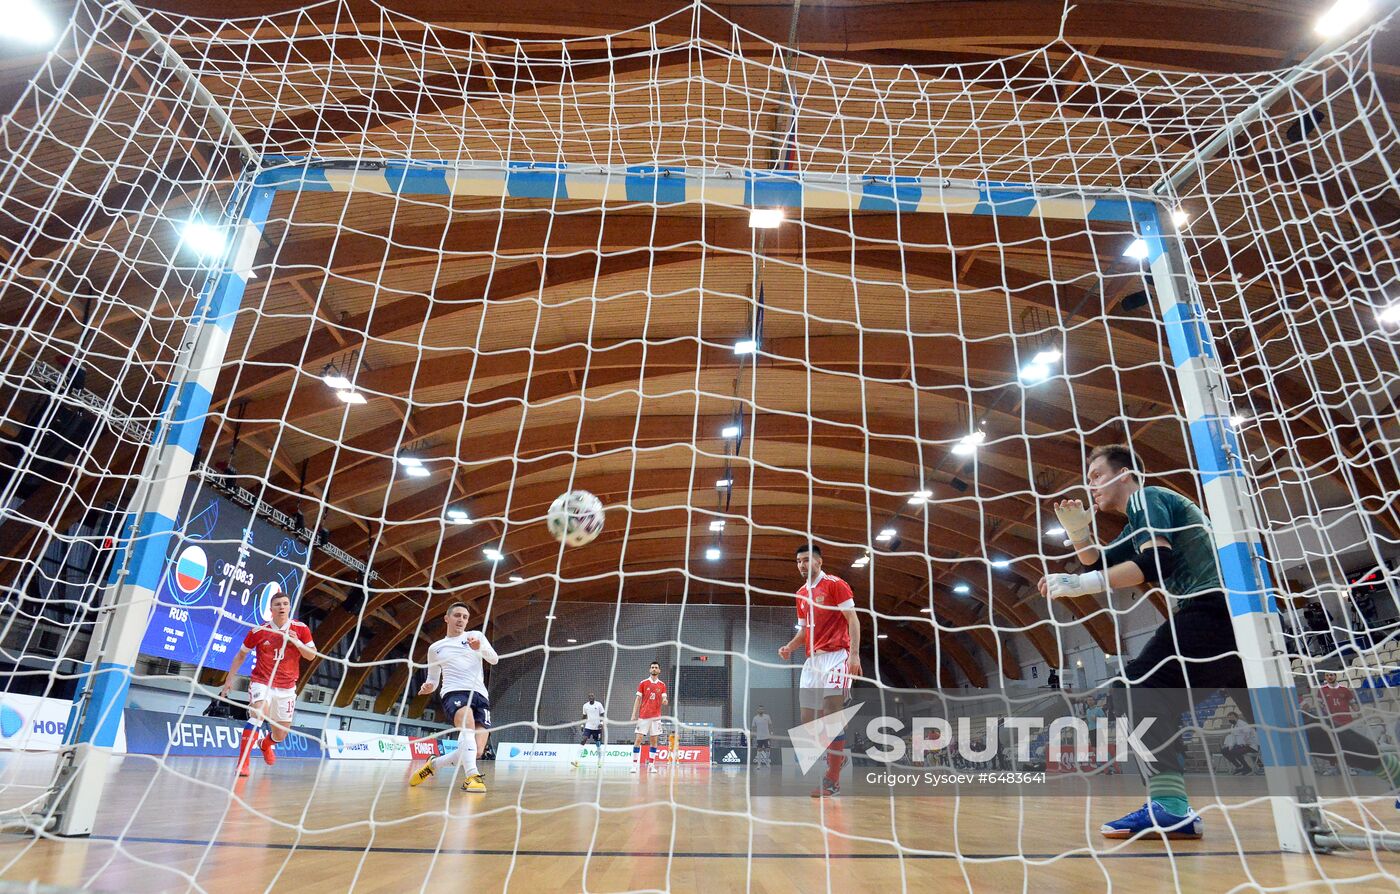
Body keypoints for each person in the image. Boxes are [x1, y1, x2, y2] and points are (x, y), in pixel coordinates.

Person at [1038, 444, 1400, 841]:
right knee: (1283, 725)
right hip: (1241, 618)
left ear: (1124, 475)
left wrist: (1080, 584)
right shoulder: (1137, 522)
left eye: (1096, 476)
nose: (1090, 486)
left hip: (1214, 609)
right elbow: (1099, 562)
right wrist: (1078, 532)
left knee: (1136, 686)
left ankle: (1171, 807)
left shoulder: (1146, 497)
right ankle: (1393, 770)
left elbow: (1155, 565)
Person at [778, 543, 862, 798]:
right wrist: (790, 647)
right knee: (808, 720)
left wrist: (854, 655)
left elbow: (853, 619)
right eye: (798, 561)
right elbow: (804, 631)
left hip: (837, 656)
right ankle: (837, 757)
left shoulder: (836, 584)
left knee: (831, 712)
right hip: (812, 661)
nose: (802, 565)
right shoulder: (800, 594)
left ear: (819, 562)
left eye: (806, 560)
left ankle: (832, 778)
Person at [219, 592, 316, 777]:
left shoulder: (301, 629)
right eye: (278, 604)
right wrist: (229, 679)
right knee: (258, 714)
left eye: (285, 604)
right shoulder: (258, 631)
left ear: (289, 607)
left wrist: (296, 642)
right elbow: (241, 655)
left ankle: (266, 744)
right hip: (262, 682)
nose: (282, 607)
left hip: (287, 687)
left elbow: (311, 655)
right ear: (270, 609)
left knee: (280, 735)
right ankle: (243, 764)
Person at [408, 602, 497, 793]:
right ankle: (471, 777)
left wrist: (479, 648)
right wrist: (428, 686)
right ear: (447, 618)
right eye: (457, 615)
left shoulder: (475, 636)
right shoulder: (436, 648)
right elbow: (433, 678)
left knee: (477, 751)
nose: (461, 620)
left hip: (480, 694)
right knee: (468, 725)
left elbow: (494, 659)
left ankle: (434, 764)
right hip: (453, 691)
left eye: (465, 617)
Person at [631, 661, 668, 773]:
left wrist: (665, 701)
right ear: (649, 670)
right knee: (638, 739)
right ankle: (634, 765)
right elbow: (638, 699)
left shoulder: (662, 685)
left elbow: (664, 698)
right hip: (643, 716)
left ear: (659, 670)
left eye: (656, 668)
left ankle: (651, 765)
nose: (654, 669)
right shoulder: (643, 683)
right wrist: (634, 714)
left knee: (654, 741)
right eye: (652, 667)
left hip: (656, 717)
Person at [1219, 711, 1260, 775]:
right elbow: (1233, 737)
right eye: (1229, 718)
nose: (1230, 719)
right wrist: (1231, 745)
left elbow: (1248, 732)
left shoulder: (1242, 723)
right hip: (1241, 745)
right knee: (1224, 751)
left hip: (1250, 745)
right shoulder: (1233, 726)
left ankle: (1247, 768)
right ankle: (1239, 766)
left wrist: (1246, 742)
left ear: (1236, 717)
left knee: (1235, 751)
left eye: (1232, 717)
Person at [572, 693, 605, 768]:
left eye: (592, 696)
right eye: (589, 696)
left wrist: (601, 723)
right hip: (588, 727)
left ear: (594, 697)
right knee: (583, 739)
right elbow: (584, 716)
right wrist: (582, 725)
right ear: (588, 698)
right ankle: (576, 761)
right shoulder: (585, 706)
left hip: (597, 728)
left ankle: (599, 761)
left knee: (598, 744)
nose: (591, 697)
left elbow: (602, 714)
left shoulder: (599, 705)